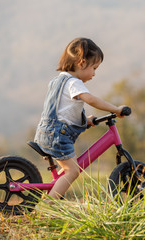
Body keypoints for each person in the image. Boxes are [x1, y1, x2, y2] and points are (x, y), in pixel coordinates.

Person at [34, 37, 125, 201]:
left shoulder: (57, 81)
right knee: (73, 171)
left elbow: (64, 109)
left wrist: (85, 120)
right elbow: (91, 100)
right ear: (82, 63)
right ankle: (47, 206)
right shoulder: (74, 82)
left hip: (47, 131)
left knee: (68, 169)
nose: (94, 74)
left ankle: (50, 198)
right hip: (57, 136)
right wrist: (115, 109)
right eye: (94, 68)